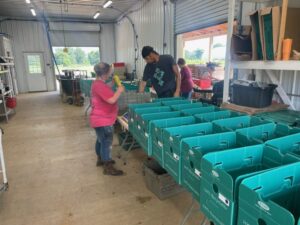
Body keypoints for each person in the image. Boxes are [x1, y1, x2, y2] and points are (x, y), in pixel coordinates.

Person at [90, 62, 125, 176]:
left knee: (101, 140)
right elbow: (111, 100)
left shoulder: (98, 83)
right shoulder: (99, 85)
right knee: (106, 142)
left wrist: (112, 83)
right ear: (105, 73)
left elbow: (104, 89)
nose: (111, 73)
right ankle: (108, 166)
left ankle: (101, 159)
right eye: (109, 72)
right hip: (103, 119)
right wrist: (119, 90)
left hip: (99, 119)